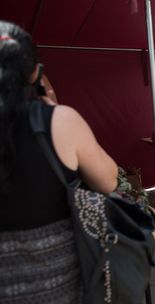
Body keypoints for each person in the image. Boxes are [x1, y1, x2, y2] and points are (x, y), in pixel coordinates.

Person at [0, 21, 118, 303]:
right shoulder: (59, 121)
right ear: (35, 74)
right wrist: (52, 108)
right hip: (57, 285)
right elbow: (109, 180)